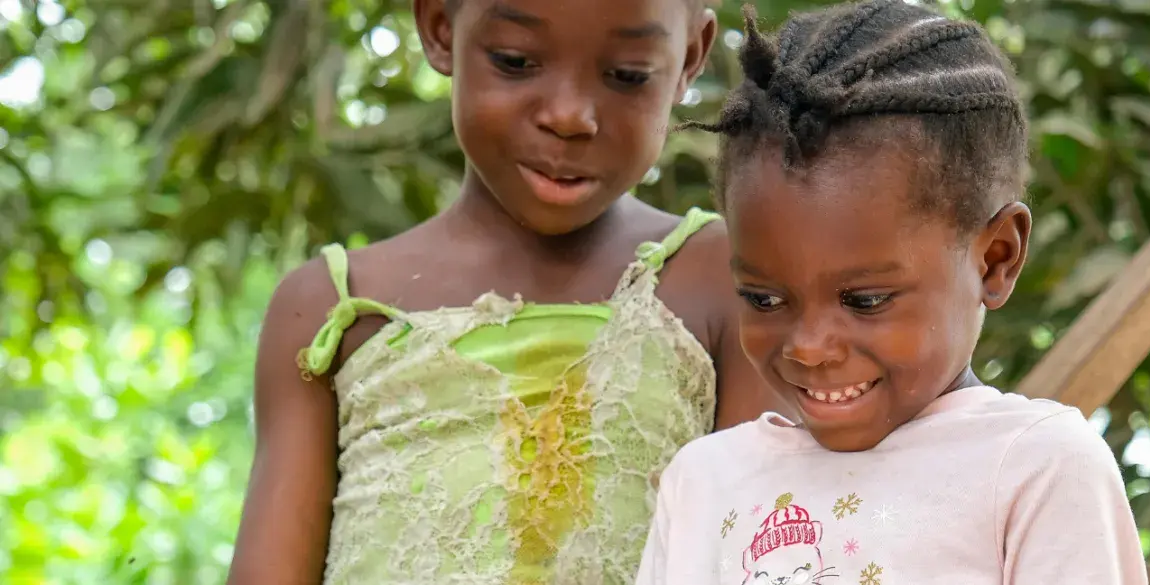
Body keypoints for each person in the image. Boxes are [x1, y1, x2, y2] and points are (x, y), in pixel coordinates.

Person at [225, 0, 778, 583]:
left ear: (690, 55)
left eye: (627, 75)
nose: (569, 116)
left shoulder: (730, 279)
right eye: (515, 61)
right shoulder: (328, 309)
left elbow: (767, 551)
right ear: (440, 27)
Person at [636, 2, 1149, 584]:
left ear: (996, 258)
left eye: (865, 300)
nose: (809, 347)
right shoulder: (704, 481)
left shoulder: (1036, 468)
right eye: (765, 299)